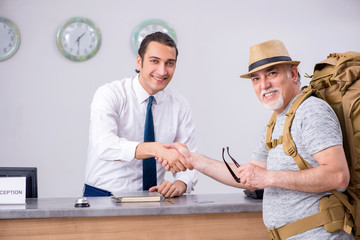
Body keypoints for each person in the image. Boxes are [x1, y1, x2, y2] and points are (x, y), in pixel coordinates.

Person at [161, 40, 352, 239]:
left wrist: (270, 177)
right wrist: (192, 160)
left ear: (293, 74)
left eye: (272, 73)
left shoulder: (311, 111)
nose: (264, 85)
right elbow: (249, 178)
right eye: (255, 78)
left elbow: (338, 176)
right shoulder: (277, 121)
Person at [84, 32, 197, 198]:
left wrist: (180, 184)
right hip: (102, 197)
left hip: (153, 199)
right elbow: (105, 145)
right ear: (139, 61)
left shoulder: (179, 104)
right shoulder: (110, 94)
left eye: (169, 63)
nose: (162, 70)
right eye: (154, 61)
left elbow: (190, 159)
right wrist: (156, 149)